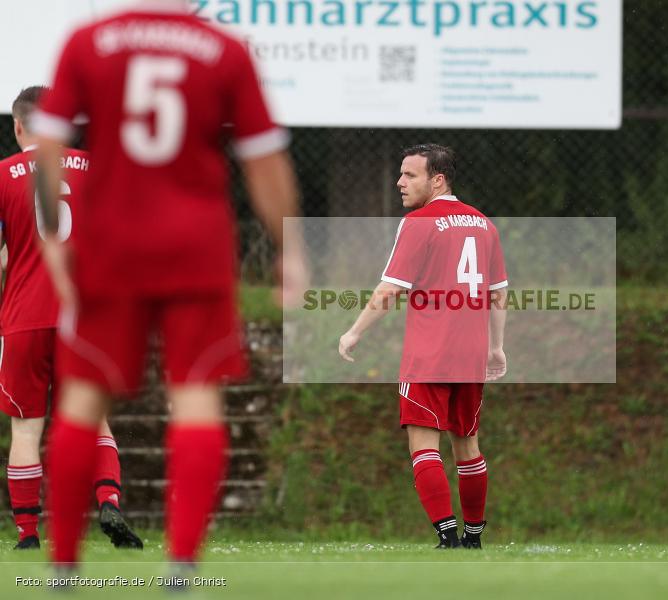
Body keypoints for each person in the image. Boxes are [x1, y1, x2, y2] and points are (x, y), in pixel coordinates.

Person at [30, 0, 306, 570]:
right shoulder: (225, 50)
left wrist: (54, 235)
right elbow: (263, 160)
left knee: (83, 396)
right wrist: (290, 247)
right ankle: (182, 562)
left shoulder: (88, 40)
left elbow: (48, 145)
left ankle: (63, 564)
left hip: (110, 244)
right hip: (196, 246)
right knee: (197, 393)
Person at [339, 144, 508, 549]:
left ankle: (447, 537)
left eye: (410, 175)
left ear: (438, 180)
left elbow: (391, 288)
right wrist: (496, 347)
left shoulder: (418, 222)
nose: (400, 182)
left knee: (424, 445)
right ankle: (473, 538)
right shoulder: (484, 223)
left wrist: (355, 331)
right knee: (467, 444)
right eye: (401, 173)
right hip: (470, 354)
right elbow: (498, 292)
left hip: (430, 354)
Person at [0, 86, 142, 551]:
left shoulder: (2, 175)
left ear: (18, 126)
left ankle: (27, 534)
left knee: (26, 428)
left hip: (24, 317)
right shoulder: (94, 168)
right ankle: (109, 501)